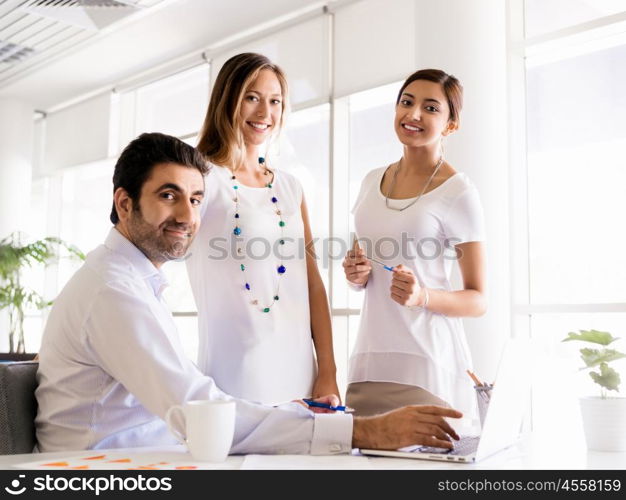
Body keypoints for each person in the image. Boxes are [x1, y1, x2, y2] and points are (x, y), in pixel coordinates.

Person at [34, 132, 462, 454]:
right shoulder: (114, 292)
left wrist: (294, 412)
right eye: (169, 196)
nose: (187, 215)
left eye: (197, 199)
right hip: (104, 472)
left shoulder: (129, 279)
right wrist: (365, 430)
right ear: (124, 204)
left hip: (145, 458)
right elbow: (198, 412)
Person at [187, 53, 338, 405]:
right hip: (236, 372)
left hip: (300, 369)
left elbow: (312, 281)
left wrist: (328, 371)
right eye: (252, 98)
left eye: (275, 101)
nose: (264, 112)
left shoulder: (291, 186)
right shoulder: (200, 179)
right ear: (228, 100)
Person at [342, 69, 487, 418]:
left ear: (451, 125)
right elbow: (367, 275)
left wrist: (423, 297)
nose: (414, 114)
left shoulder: (458, 191)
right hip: (369, 357)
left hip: (428, 360)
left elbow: (478, 300)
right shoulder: (370, 181)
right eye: (406, 102)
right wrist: (356, 274)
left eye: (431, 108)